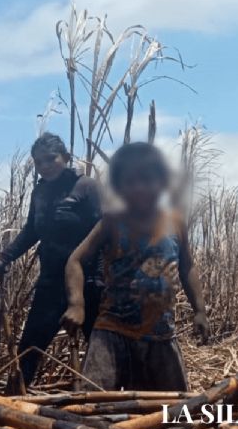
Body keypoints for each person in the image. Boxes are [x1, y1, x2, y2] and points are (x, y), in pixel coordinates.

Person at [61, 142, 210, 391]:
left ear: (161, 182)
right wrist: (76, 304)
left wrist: (200, 311)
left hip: (160, 333)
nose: (139, 187)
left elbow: (187, 267)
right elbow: (75, 260)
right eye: (130, 182)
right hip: (112, 330)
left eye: (147, 180)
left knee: (173, 408)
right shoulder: (112, 221)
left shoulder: (175, 222)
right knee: (92, 402)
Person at [0, 133, 102, 390]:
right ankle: (14, 400)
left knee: (100, 349)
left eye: (51, 159)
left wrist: (102, 280)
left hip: (89, 283)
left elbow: (106, 232)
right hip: (51, 281)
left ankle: (109, 403)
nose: (45, 166)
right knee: (30, 347)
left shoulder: (87, 187)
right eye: (39, 162)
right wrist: (5, 257)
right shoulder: (39, 192)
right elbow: (32, 231)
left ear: (66, 157)